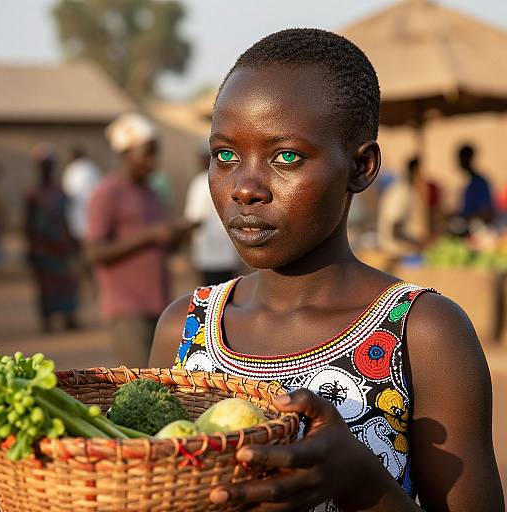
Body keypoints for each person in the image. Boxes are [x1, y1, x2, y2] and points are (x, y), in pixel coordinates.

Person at [149, 29, 504, 512]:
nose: (245, 188)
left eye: (286, 156)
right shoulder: (183, 328)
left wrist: (361, 483)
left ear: (361, 167)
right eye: (225, 155)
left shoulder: (422, 334)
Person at [85, 112, 193, 367]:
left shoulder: (151, 193)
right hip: (127, 308)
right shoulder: (107, 193)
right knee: (141, 382)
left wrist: (176, 235)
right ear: (127, 153)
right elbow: (94, 252)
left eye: (156, 154)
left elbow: (162, 242)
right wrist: (150, 236)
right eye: (148, 154)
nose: (154, 163)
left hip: (159, 302)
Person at [25, 144, 79, 332]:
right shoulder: (32, 194)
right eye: (43, 164)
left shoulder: (59, 192)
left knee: (66, 283)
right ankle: (47, 320)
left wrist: (72, 242)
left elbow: (67, 218)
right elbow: (28, 224)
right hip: (42, 249)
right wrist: (31, 250)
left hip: (61, 247)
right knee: (45, 286)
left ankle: (69, 318)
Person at [184, 143, 241, 285]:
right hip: (229, 254)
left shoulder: (201, 183)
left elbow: (195, 219)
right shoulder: (230, 180)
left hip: (208, 256)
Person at [377, 157, 429, 257]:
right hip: (398, 251)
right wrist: (417, 242)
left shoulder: (410, 191)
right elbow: (394, 227)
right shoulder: (401, 193)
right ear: (414, 172)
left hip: (408, 249)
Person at [61, 146, 102, 243]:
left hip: (76, 221)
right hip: (93, 220)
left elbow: (67, 194)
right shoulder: (94, 168)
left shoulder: (72, 170)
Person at [457, 144, 495, 226]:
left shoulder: (480, 183)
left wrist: (465, 218)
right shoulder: (470, 184)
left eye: (463, 159)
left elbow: (486, 213)